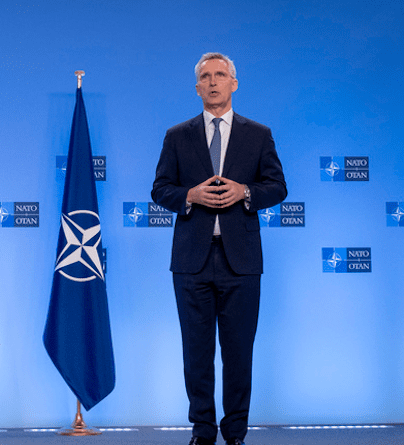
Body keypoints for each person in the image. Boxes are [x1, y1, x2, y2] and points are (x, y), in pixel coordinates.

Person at [151, 53, 287, 445]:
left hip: (241, 262)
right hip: (191, 261)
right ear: (197, 88)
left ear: (234, 83)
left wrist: (245, 192)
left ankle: (236, 432)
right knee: (196, 355)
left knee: (238, 353)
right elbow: (160, 189)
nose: (213, 82)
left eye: (220, 75)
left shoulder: (257, 134)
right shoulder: (177, 136)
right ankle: (203, 431)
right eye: (205, 77)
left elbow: (277, 187)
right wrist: (189, 195)